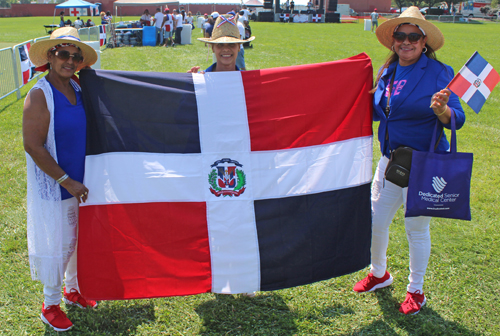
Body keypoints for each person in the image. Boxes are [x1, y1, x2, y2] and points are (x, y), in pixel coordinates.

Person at [352, 7, 466, 315]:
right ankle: (379, 273)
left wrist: (441, 109)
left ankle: (416, 290)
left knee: (415, 229)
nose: (406, 42)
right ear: (393, 41)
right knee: (376, 221)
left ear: (424, 40)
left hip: (423, 165)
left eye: (413, 36)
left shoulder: (439, 72)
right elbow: (379, 111)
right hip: (390, 162)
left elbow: (458, 119)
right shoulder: (388, 71)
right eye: (400, 36)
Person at [23, 27, 99, 332]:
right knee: (60, 245)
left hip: (82, 183)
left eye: (75, 56)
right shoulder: (39, 94)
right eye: (63, 54)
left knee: (77, 242)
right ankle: (50, 304)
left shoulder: (80, 88)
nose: (70, 60)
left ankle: (72, 289)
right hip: (59, 186)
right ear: (50, 57)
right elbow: (33, 146)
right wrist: (66, 181)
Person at [188, 14, 255, 73]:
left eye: (231, 44)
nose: (226, 49)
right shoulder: (200, 78)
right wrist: (190, 83)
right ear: (213, 48)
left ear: (239, 47)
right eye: (220, 44)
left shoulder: (249, 81)